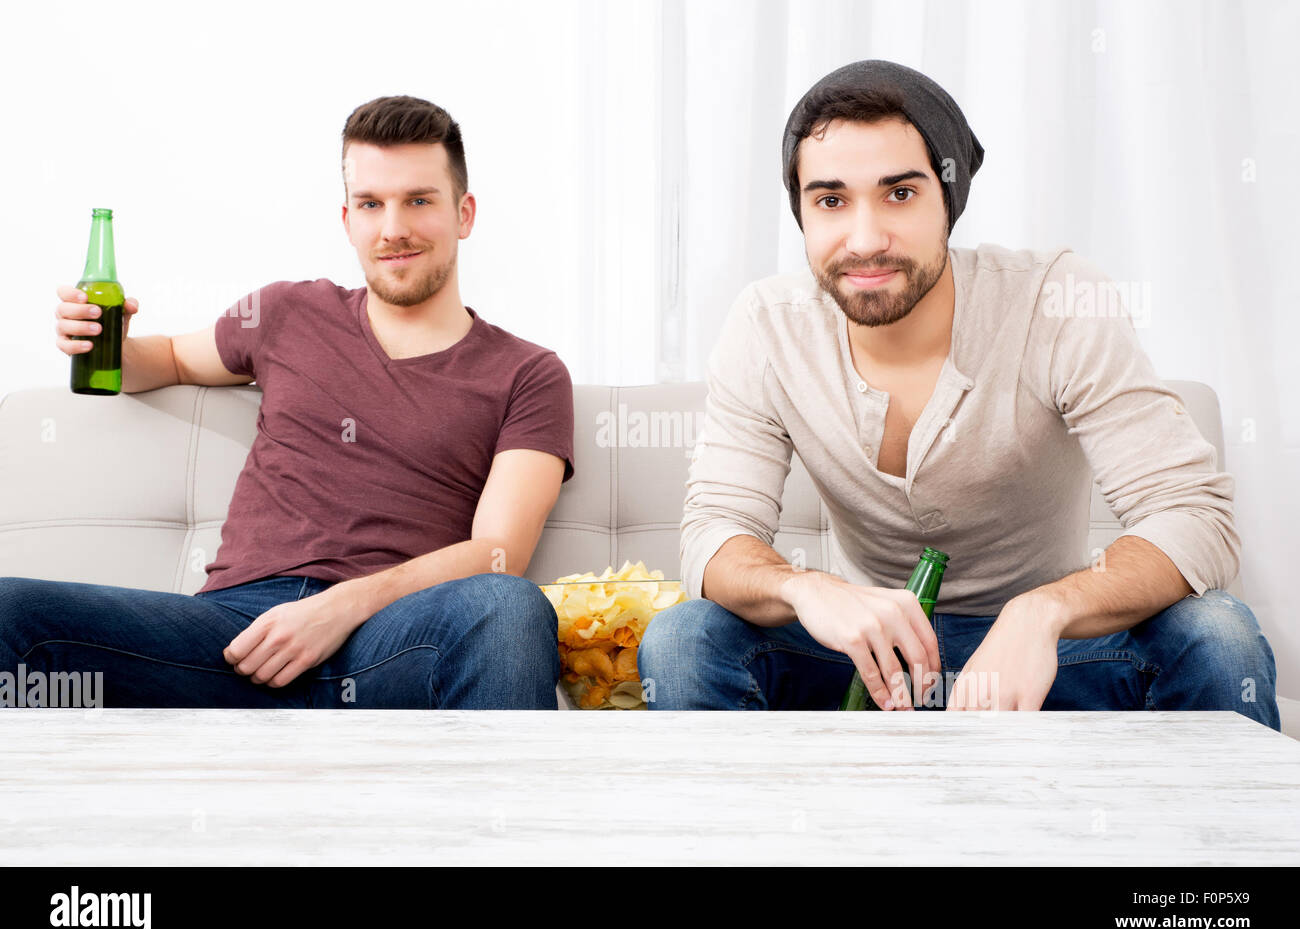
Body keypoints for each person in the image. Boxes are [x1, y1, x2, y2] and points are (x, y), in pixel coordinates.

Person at [637, 60, 1280, 730]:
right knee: (686, 639)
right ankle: (744, 838)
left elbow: (1193, 515)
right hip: (863, 664)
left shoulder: (1055, 300)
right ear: (801, 210)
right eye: (831, 200)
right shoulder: (766, 324)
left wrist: (1045, 610)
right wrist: (805, 588)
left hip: (1051, 660)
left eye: (900, 194)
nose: (865, 239)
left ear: (950, 199)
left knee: (1218, 634)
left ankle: (1187, 837)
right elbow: (715, 533)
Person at [0, 95, 574, 709]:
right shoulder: (285, 313)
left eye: (419, 201)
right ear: (347, 219)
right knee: (10, 613)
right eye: (371, 204)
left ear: (464, 213)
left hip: (391, 642)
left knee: (507, 607)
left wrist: (341, 607)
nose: (393, 228)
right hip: (234, 640)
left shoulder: (528, 373)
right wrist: (101, 341)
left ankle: (493, 809)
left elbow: (499, 553)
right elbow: (164, 358)